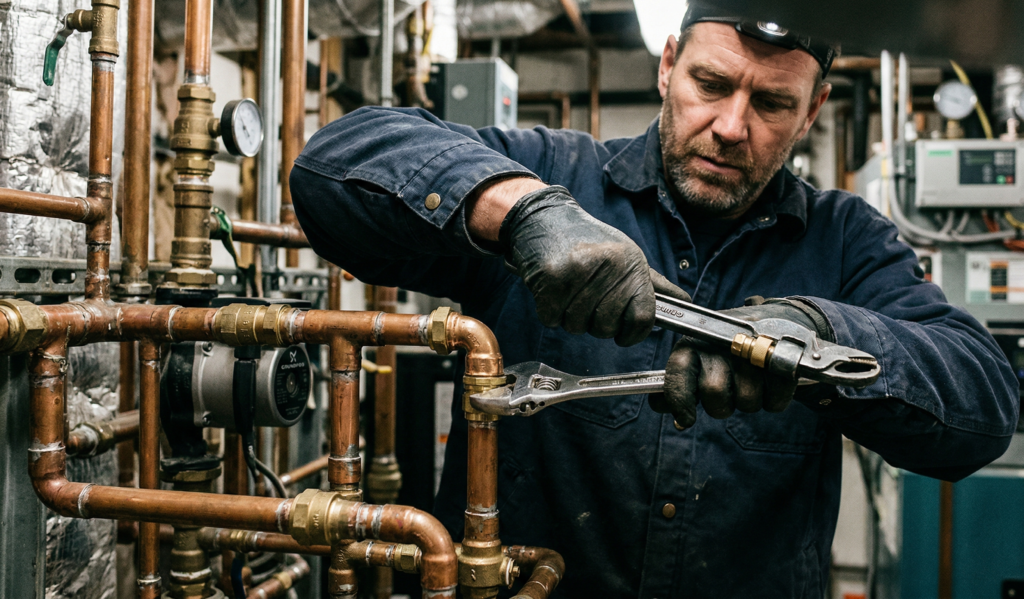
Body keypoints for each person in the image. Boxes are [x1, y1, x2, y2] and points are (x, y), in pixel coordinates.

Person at [289, 5, 1020, 597]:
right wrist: (519, 212)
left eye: (772, 103)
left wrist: (815, 336)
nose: (733, 127)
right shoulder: (555, 169)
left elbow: (984, 405)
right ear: (668, 65)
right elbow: (329, 168)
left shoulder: (846, 241)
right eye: (711, 83)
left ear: (813, 110)